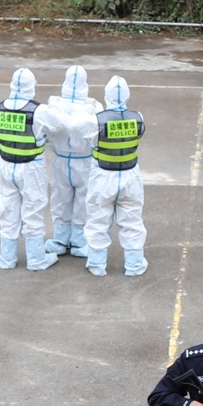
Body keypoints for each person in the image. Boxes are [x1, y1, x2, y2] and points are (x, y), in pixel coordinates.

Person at [0, 67, 58, 271]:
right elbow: (59, 126)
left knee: (8, 209)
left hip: (6, 165)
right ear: (32, 86)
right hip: (31, 166)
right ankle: (36, 259)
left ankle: (7, 258)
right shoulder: (39, 111)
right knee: (33, 209)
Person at [85, 75, 148, 277]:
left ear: (106, 95)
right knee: (132, 221)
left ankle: (96, 264)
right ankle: (135, 264)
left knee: (98, 220)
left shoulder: (97, 120)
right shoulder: (138, 117)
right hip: (130, 175)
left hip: (103, 175)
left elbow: (90, 141)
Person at [42, 66, 100, 258]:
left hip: (61, 159)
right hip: (84, 161)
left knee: (60, 198)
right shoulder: (93, 106)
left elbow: (46, 132)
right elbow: (98, 134)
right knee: (84, 199)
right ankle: (79, 241)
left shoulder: (54, 105)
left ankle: (60, 239)